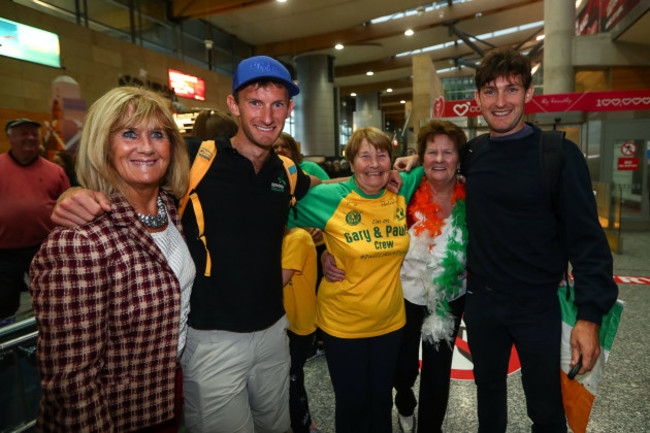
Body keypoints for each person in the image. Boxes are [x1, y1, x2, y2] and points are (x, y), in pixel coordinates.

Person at [50, 55, 317, 433]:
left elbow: (325, 191)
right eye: (255, 102)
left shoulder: (286, 172)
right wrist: (74, 193)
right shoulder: (196, 156)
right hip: (212, 338)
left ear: (289, 108)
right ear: (234, 105)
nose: (267, 116)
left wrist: (383, 175)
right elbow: (132, 170)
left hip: (274, 331)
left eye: (277, 104)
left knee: (277, 426)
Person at [396, 47, 618, 432]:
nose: (500, 102)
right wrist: (417, 161)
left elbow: (588, 242)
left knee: (546, 409)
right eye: (490, 91)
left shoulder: (559, 155)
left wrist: (589, 317)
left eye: (511, 90)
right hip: (483, 303)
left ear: (528, 93)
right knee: (489, 400)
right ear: (478, 98)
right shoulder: (474, 153)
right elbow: (442, 161)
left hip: (538, 304)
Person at [29, 86, 195, 432]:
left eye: (157, 134)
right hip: (118, 416)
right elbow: (71, 382)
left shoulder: (174, 211)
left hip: (171, 393)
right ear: (102, 146)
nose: (146, 147)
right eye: (129, 134)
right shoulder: (80, 240)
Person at [324, 120, 468, 432]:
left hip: (449, 297)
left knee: (438, 372)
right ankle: (404, 401)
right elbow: (360, 221)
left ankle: (430, 428)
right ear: (422, 156)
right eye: (432, 152)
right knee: (401, 369)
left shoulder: (472, 195)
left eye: (448, 152)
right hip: (404, 294)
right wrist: (327, 251)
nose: (440, 159)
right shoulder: (406, 189)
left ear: (459, 158)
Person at [288, 127, 423, 433]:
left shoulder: (399, 190)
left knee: (380, 403)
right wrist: (319, 250)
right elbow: (276, 214)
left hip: (390, 323)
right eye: (364, 156)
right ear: (351, 163)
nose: (374, 163)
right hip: (343, 325)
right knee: (351, 405)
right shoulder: (329, 197)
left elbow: (436, 160)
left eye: (381, 155)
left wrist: (412, 156)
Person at [0, 118, 70, 321]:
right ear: (10, 137)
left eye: (34, 133)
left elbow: (66, 205)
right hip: (5, 252)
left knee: (53, 297)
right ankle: (7, 348)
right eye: (24, 133)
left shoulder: (55, 171)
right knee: (4, 303)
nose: (30, 137)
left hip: (44, 248)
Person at [281, 227, 319, 433]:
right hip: (283, 324)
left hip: (298, 326)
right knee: (287, 377)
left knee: (292, 378)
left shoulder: (298, 238)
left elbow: (278, 282)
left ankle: (303, 425)